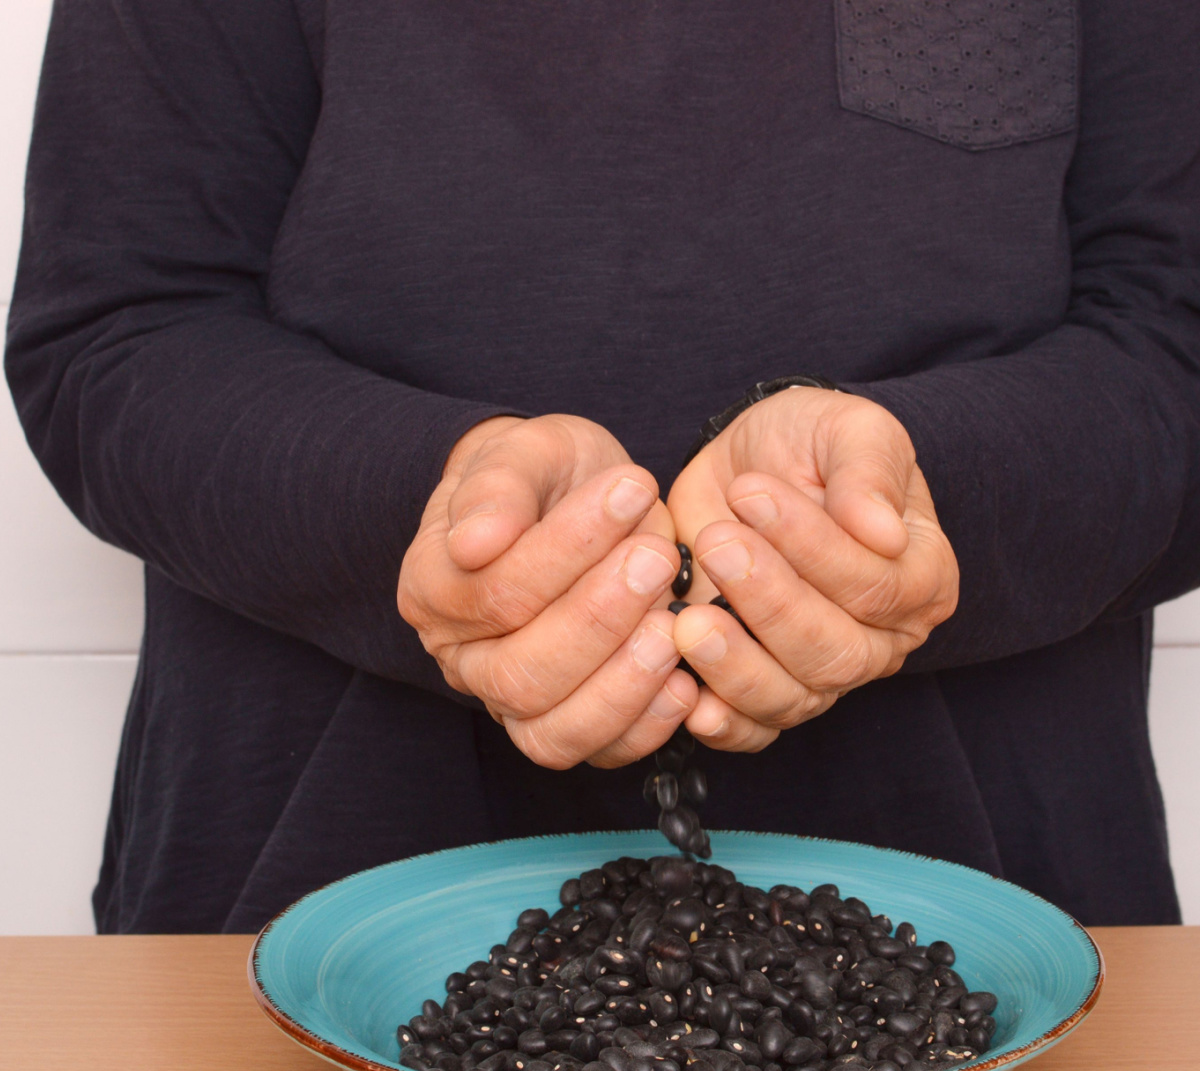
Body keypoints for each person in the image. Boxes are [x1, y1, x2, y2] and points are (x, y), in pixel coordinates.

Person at [6, 0, 1197, 933]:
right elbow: (115, 330)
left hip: (1018, 934)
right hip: (295, 908)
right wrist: (432, 510)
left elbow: (1177, 339)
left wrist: (913, 504)